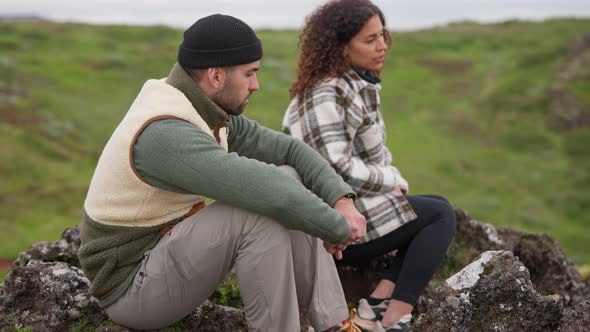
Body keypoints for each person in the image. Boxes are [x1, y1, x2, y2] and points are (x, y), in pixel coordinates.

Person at [78, 14, 367, 332]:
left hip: (167, 257)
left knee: (287, 177)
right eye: (250, 74)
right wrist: (337, 229)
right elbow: (269, 191)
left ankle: (334, 324)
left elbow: (290, 152)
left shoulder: (202, 108)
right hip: (132, 290)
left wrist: (340, 199)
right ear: (216, 76)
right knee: (259, 211)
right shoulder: (165, 132)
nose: (256, 85)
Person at [283, 1, 457, 331]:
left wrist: (390, 183)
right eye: (370, 39)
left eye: (383, 36)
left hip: (352, 206)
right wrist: (391, 180)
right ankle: (393, 319)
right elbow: (335, 169)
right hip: (327, 227)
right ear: (341, 46)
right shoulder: (324, 94)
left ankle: (376, 305)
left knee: (438, 207)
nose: (383, 46)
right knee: (439, 216)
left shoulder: (353, 85)